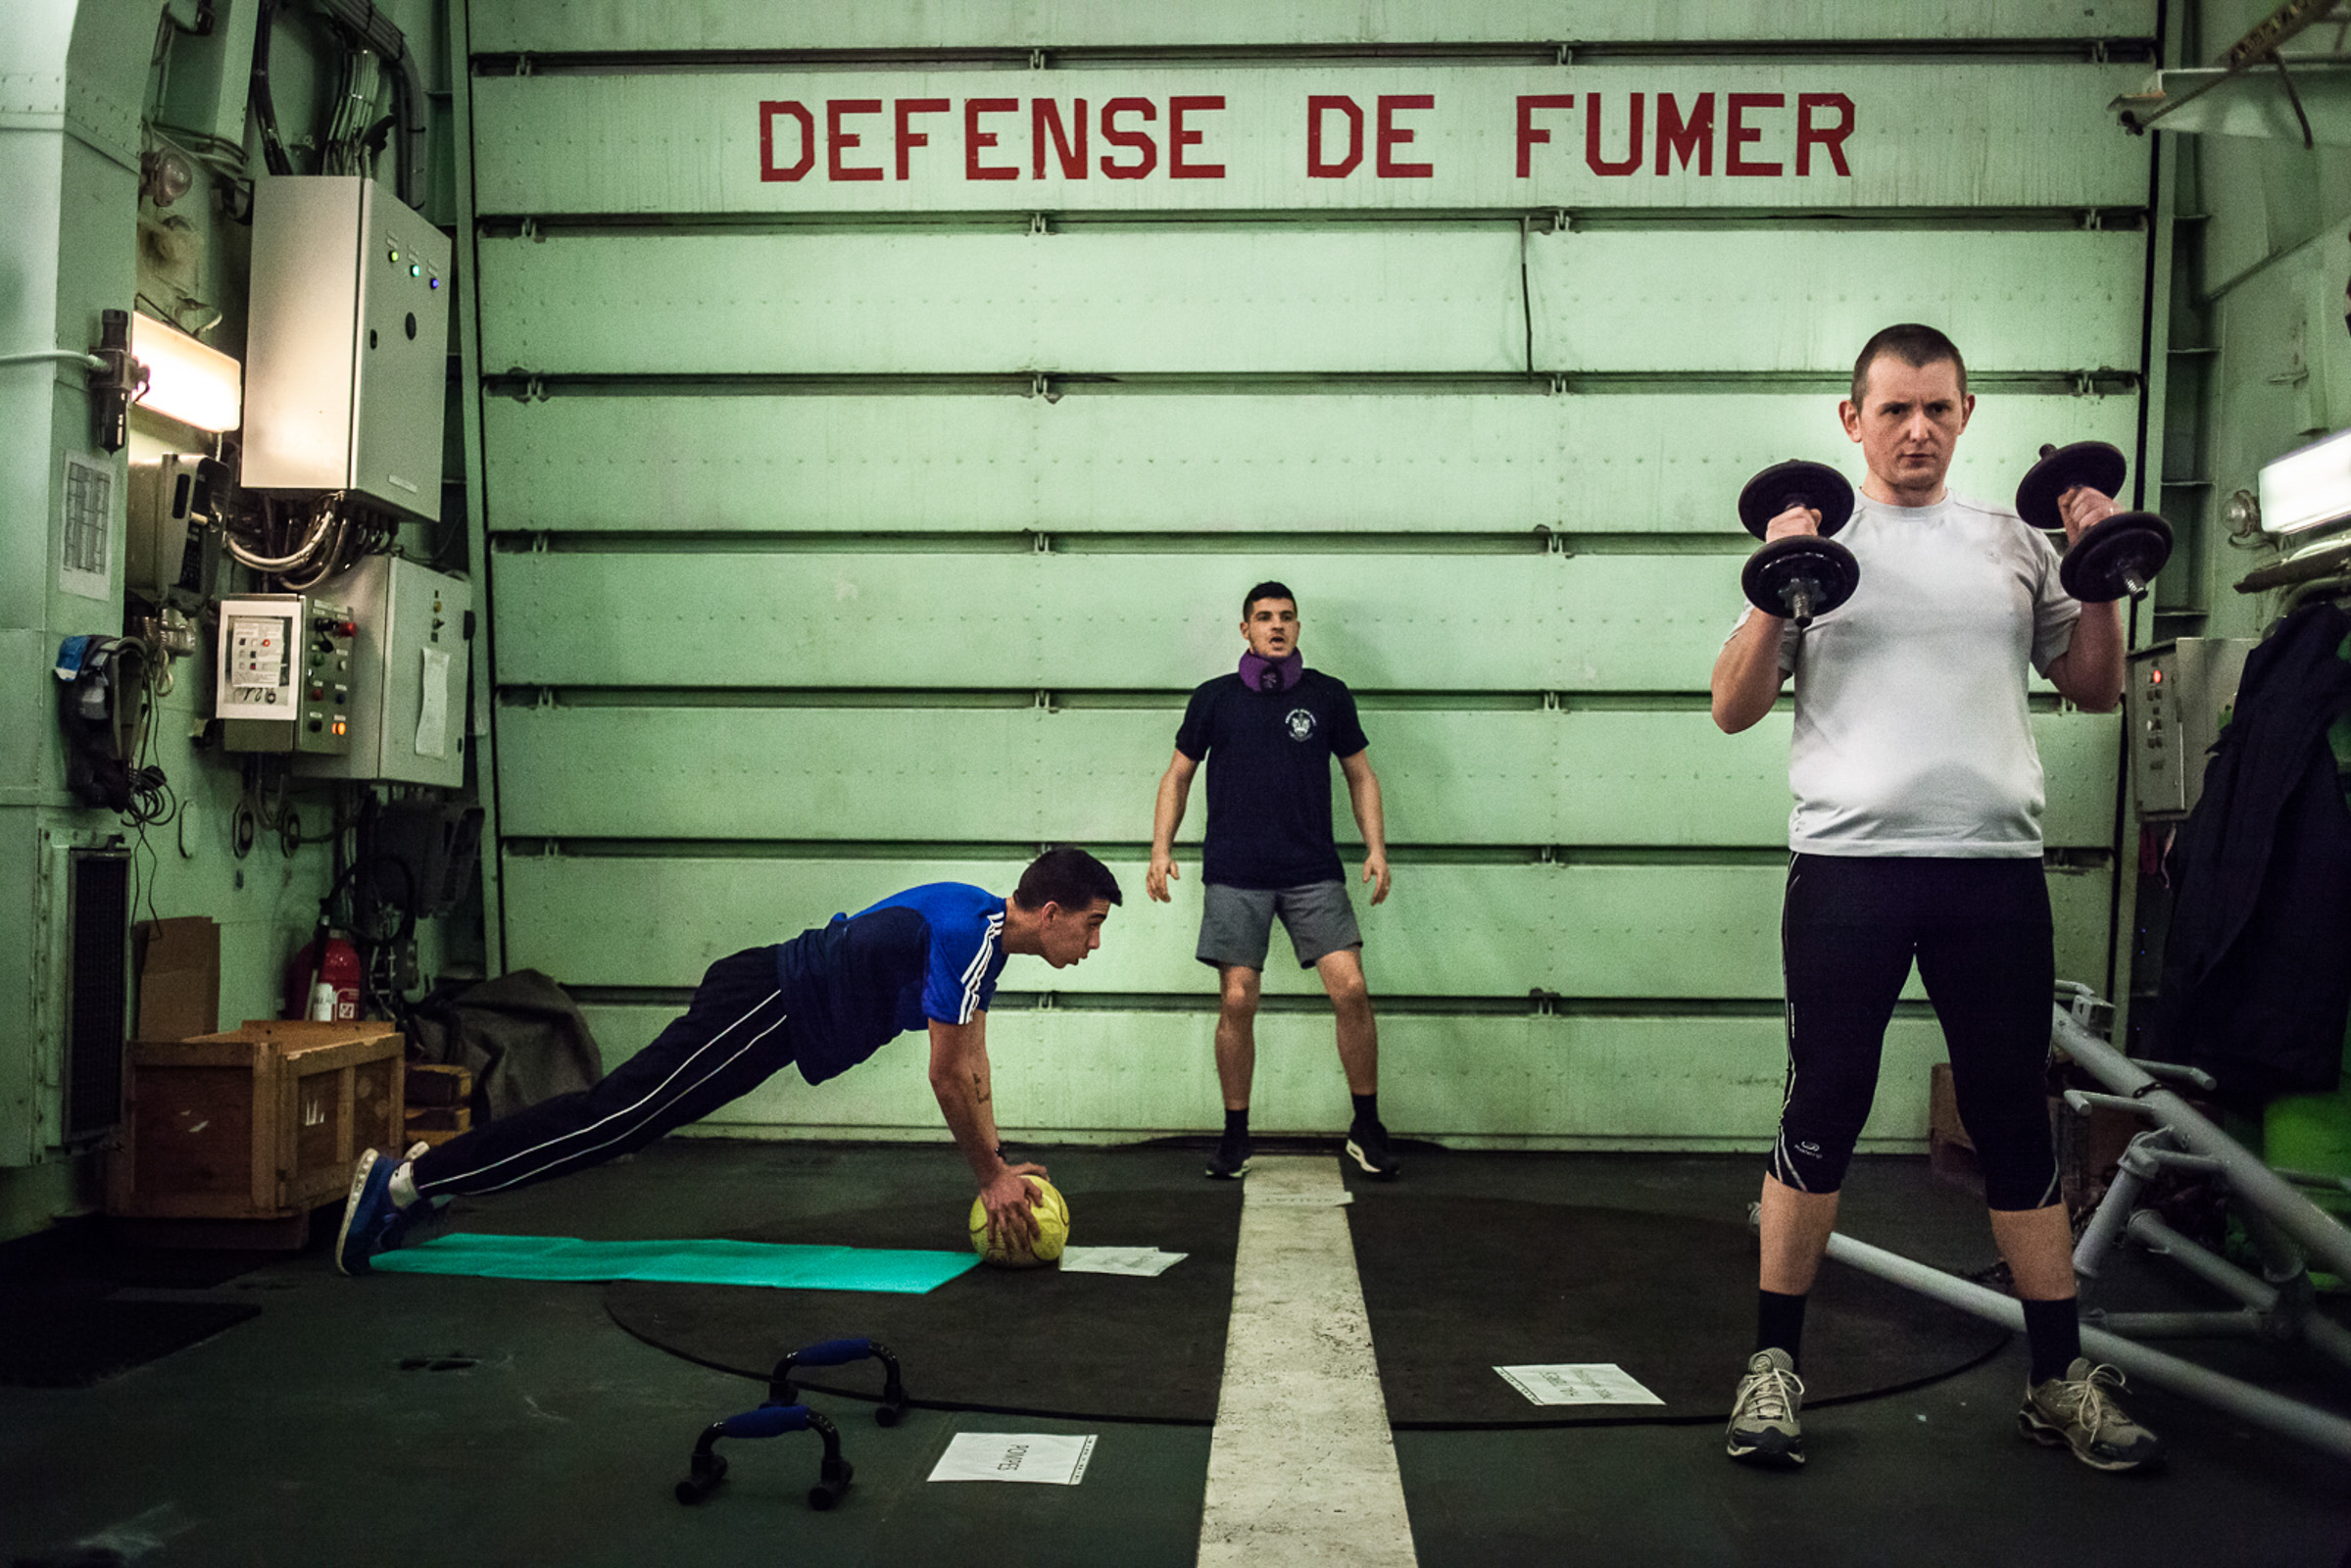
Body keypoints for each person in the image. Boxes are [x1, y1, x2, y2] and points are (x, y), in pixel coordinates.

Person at [1709, 324, 2160, 1473]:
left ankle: (2056, 1379)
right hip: (1848, 872)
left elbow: (2096, 687)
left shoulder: (2014, 543)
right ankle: (1771, 1367)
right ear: (1850, 421)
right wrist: (1776, 577)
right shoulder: (1816, 545)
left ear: (1966, 415)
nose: (1917, 430)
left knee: (2013, 1117)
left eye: (1938, 410)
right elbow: (1730, 706)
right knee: (1824, 1106)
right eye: (1894, 410)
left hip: (1990, 873)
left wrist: (2096, 569)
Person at [336, 847, 1122, 1274]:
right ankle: (406, 1183)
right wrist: (990, 1176)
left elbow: (970, 1065)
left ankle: (420, 1181)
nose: (1091, 945)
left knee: (620, 1120)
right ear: (1048, 912)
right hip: (764, 1003)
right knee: (615, 1121)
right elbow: (948, 1074)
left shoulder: (982, 932)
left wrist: (1001, 1161)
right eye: (1088, 926)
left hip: (770, 1011)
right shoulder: (970, 935)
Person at [1147, 581, 1396, 1180]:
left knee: (1353, 990)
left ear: (1298, 628)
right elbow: (1176, 777)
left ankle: (1367, 1127)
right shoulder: (1214, 699)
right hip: (1236, 873)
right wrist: (1160, 849)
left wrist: (1376, 849)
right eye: (1264, 618)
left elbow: (1361, 775)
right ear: (1246, 630)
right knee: (1237, 999)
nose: (1276, 626)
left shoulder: (1329, 696)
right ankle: (1236, 1136)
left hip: (1312, 871)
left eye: (1286, 617)